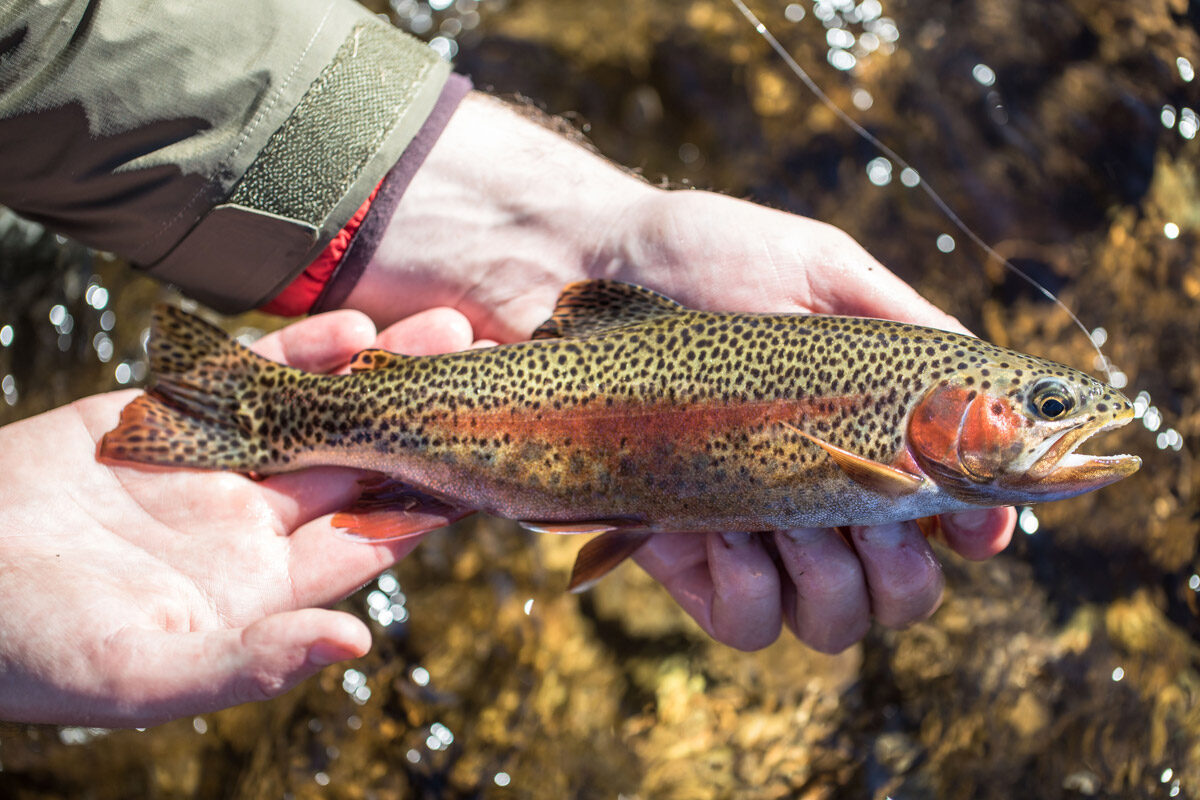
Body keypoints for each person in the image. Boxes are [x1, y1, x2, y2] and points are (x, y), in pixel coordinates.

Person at [0, 1, 1015, 726]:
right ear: (959, 404)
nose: (1052, 426)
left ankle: (258, 416)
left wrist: (606, 226)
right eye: (1041, 405)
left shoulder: (906, 439)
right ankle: (263, 418)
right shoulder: (905, 453)